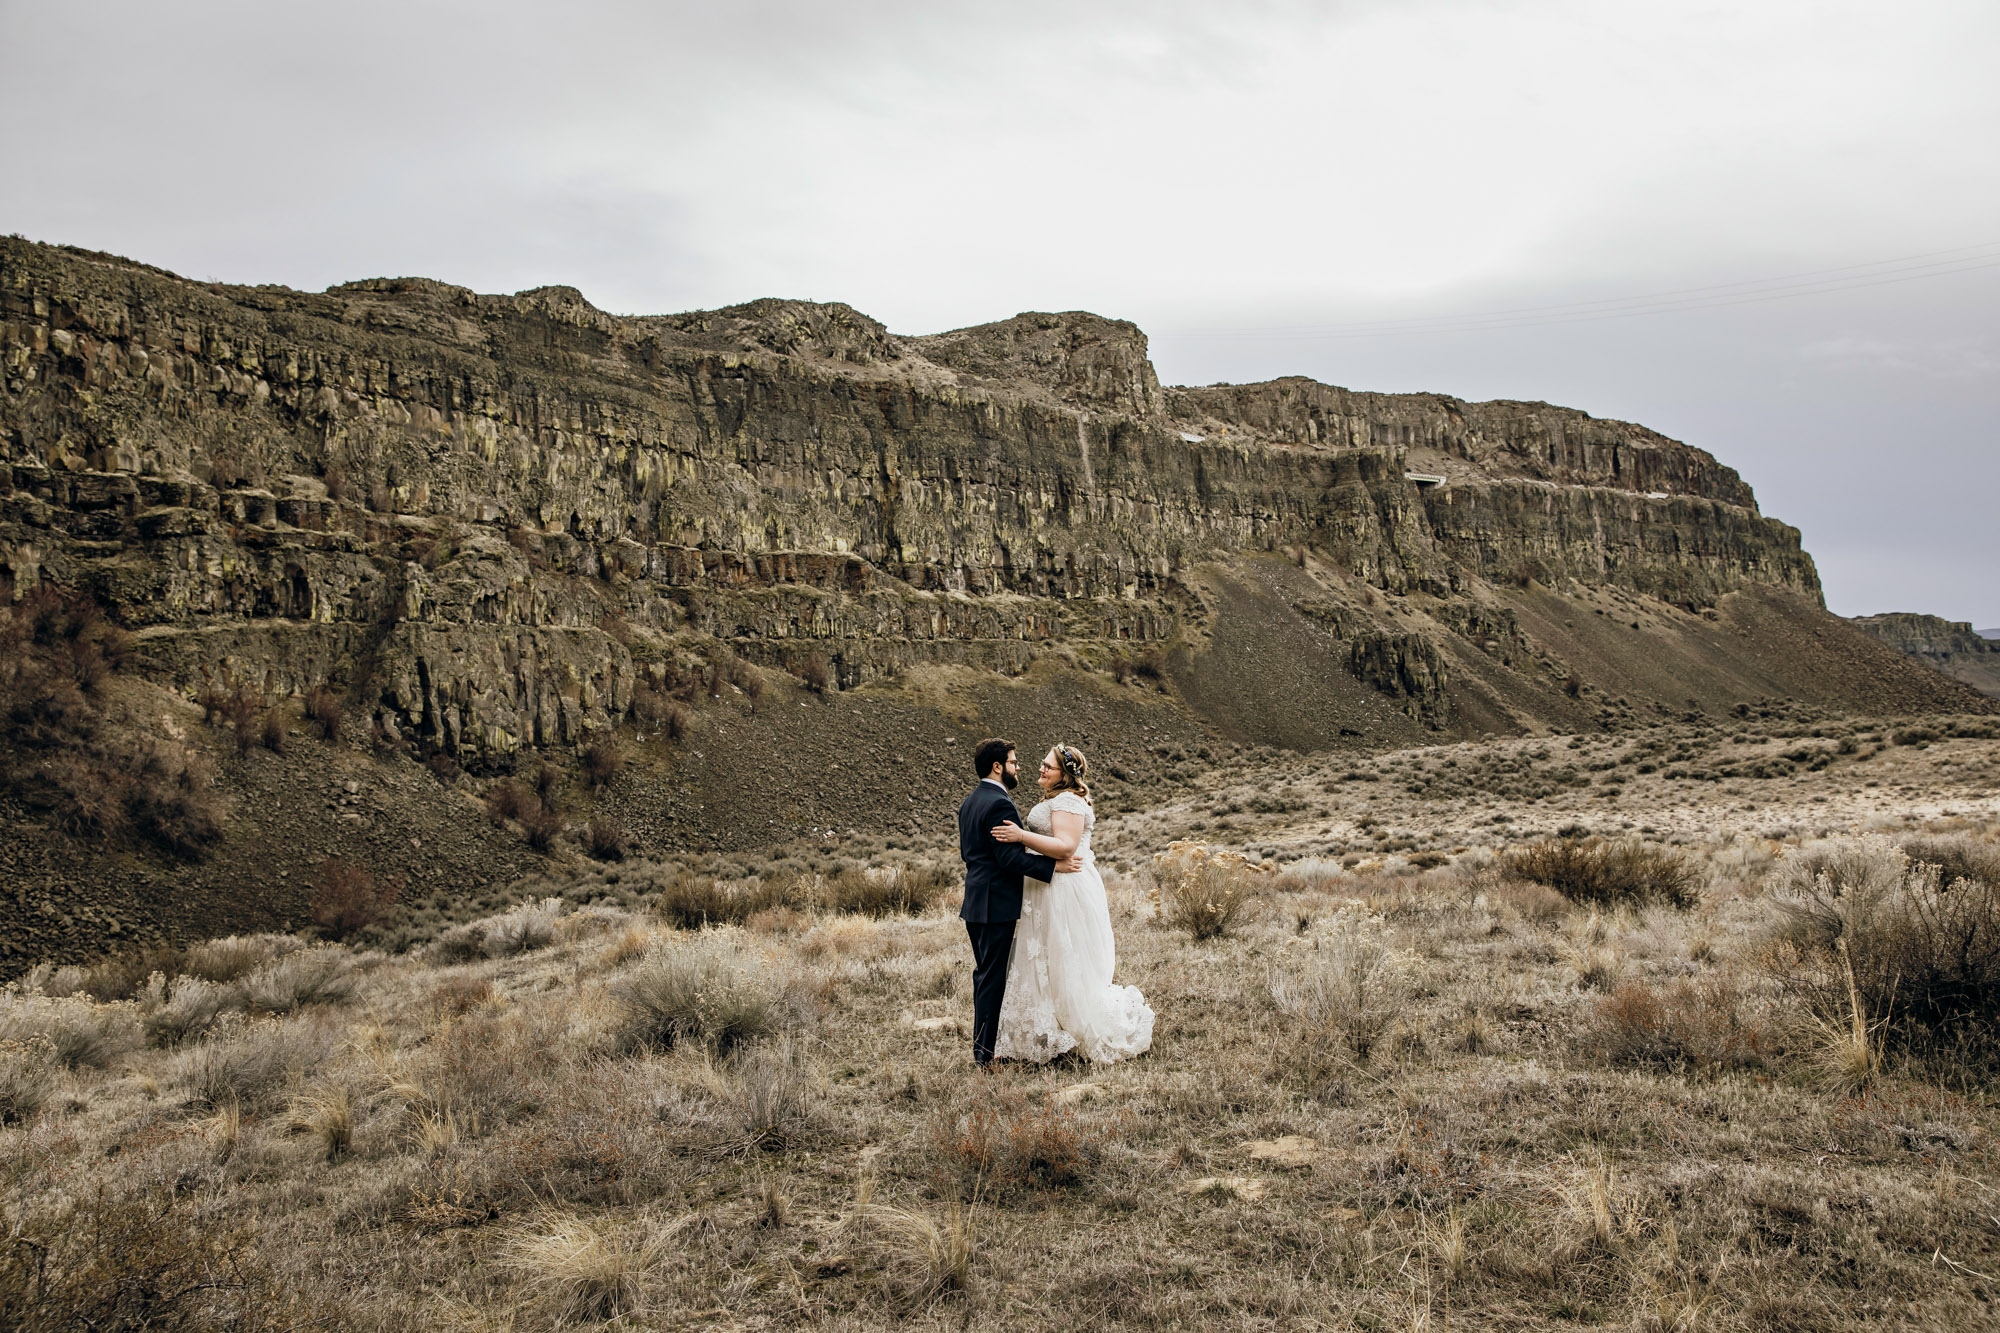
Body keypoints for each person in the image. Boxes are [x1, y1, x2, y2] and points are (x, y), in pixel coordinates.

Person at [989, 744, 1154, 1064]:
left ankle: (1075, 1028)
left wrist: (1021, 837)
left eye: (1048, 767)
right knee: (1047, 956)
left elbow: (1065, 847)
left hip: (1065, 888)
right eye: (1042, 764)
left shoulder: (1068, 801)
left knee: (1065, 955)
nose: (1041, 769)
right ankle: (1048, 1027)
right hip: (1047, 884)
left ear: (1065, 775)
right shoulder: (1055, 798)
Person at [955, 738, 1078, 1068]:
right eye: (1013, 762)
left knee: (984, 975)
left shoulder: (970, 802)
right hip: (996, 903)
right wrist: (1054, 867)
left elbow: (975, 855)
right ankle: (985, 1056)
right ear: (998, 767)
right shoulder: (999, 805)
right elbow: (1009, 859)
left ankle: (984, 1049)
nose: (1018, 767)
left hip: (976, 900)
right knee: (992, 979)